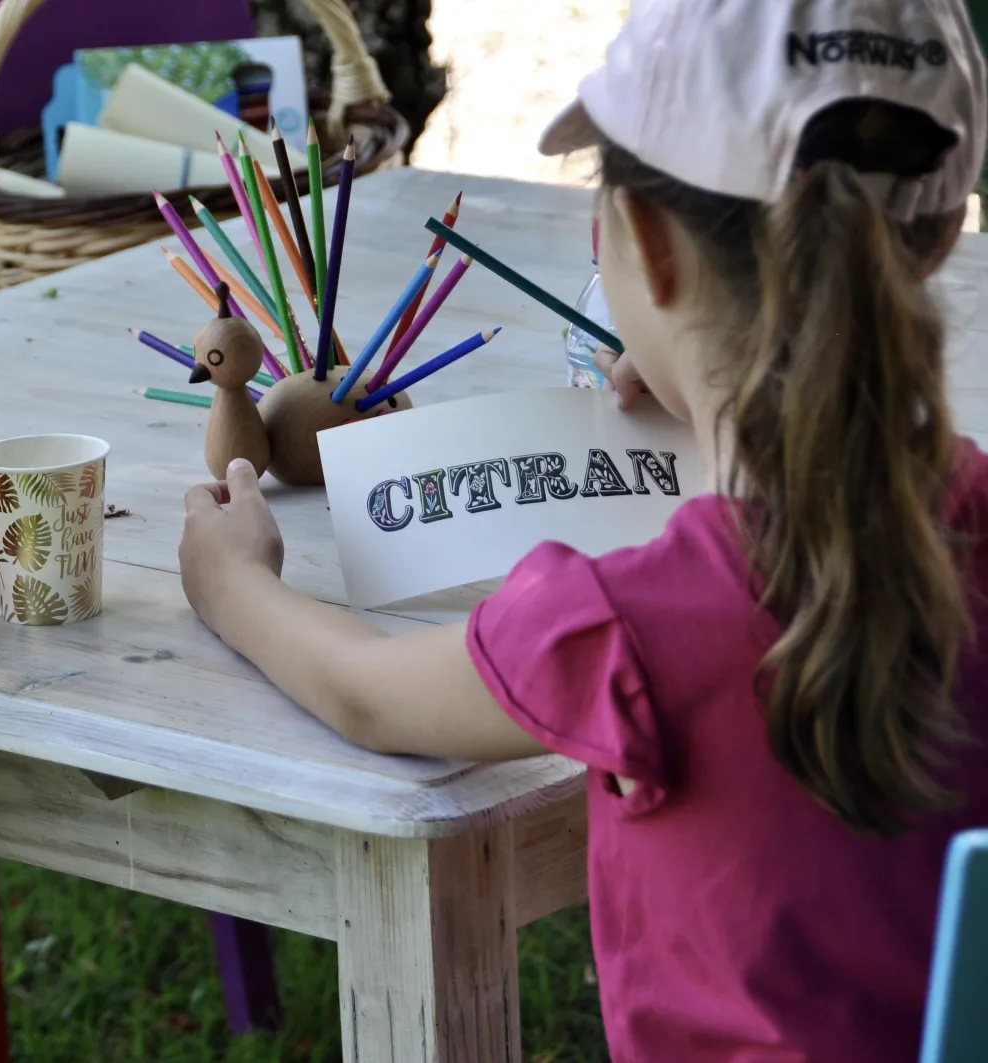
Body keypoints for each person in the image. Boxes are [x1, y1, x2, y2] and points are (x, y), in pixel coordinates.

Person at [179, 0, 988, 1059]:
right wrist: (698, 392)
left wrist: (236, 583)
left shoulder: (624, 625)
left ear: (642, 251)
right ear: (932, 238)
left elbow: (369, 695)